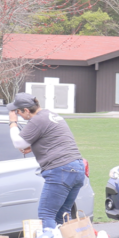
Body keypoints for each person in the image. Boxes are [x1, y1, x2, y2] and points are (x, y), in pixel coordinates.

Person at [8, 93, 86, 230]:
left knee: (46, 214)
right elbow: (55, 138)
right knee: (62, 215)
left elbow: (18, 143)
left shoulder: (37, 120)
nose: (17, 114)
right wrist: (33, 147)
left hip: (60, 169)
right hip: (77, 168)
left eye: (18, 112)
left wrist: (12, 122)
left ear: (26, 110)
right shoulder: (51, 115)